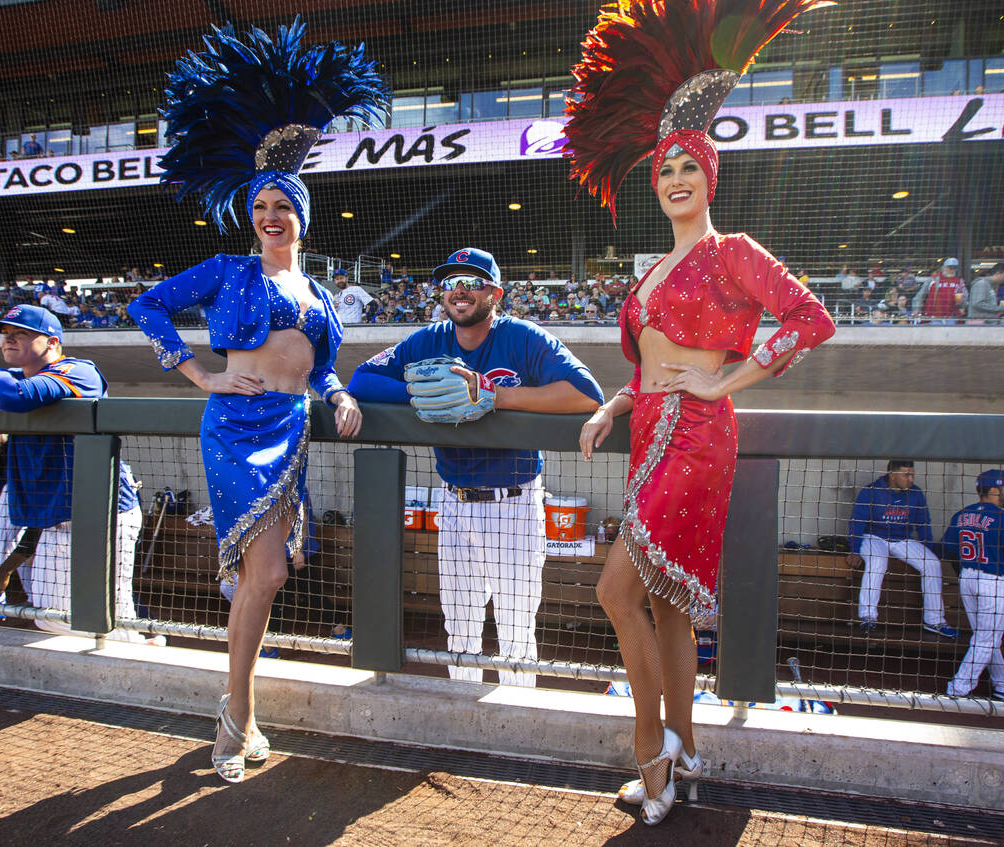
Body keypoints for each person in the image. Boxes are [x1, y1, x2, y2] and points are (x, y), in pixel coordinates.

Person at [563, 0, 835, 825]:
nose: (676, 180)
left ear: (710, 176)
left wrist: (726, 383)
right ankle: (678, 759)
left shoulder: (732, 252)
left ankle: (652, 743)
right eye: (664, 170)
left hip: (698, 438)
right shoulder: (650, 271)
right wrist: (613, 401)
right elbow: (649, 366)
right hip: (647, 430)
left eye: (689, 167)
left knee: (617, 592)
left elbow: (810, 318)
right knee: (670, 607)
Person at [127, 18, 386, 784]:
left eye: (285, 205)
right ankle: (233, 716)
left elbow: (322, 366)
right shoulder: (227, 268)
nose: (273, 216)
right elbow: (146, 306)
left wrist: (338, 396)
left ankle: (241, 714)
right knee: (266, 572)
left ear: (303, 215)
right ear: (252, 213)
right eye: (262, 205)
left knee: (263, 574)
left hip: (292, 426)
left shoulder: (319, 293)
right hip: (235, 425)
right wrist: (199, 374)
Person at [349, 247, 603, 687]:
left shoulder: (523, 337)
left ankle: (518, 723)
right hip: (454, 502)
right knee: (460, 628)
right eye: (451, 283)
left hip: (514, 502)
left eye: (472, 282)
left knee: (516, 629)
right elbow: (362, 381)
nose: (459, 291)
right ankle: (464, 722)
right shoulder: (428, 340)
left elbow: (586, 394)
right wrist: (421, 395)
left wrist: (496, 395)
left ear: (495, 293)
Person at [0, 305, 151, 645]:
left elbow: (12, 398)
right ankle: (120, 658)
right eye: (4, 334)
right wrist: (2, 383)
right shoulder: (23, 379)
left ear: (52, 342)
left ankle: (138, 662)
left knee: (109, 614)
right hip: (56, 518)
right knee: (50, 615)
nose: (9, 338)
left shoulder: (79, 371)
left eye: (22, 333)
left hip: (104, 515)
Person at [942, 470, 1004, 701]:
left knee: (986, 637)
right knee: (987, 640)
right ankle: (957, 690)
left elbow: (948, 548)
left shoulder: (962, 515)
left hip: (968, 579)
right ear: (995, 490)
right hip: (994, 585)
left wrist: (964, 574)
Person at [847, 460, 955, 637]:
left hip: (901, 539)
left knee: (932, 564)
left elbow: (923, 524)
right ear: (892, 475)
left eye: (912, 474)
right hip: (874, 537)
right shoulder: (872, 491)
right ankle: (868, 617)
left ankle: (934, 621)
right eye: (906, 474)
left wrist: (928, 549)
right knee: (878, 562)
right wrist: (854, 549)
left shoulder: (916, 493)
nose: (910, 478)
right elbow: (857, 522)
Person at [913, 257, 966, 322]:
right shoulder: (933, 280)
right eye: (950, 267)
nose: (952, 270)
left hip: (952, 317)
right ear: (944, 267)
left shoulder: (959, 282)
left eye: (954, 268)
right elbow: (920, 295)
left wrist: (962, 306)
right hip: (933, 317)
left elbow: (963, 297)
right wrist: (916, 308)